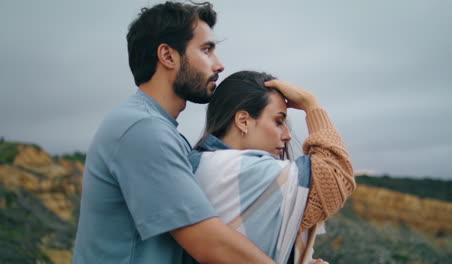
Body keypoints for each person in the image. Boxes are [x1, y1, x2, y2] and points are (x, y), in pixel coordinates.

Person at [72, 2, 278, 264]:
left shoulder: (156, 127)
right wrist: (311, 106)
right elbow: (208, 242)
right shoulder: (142, 129)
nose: (219, 65)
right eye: (206, 50)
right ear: (168, 56)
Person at [188, 71, 356, 264]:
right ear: (243, 121)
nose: (287, 135)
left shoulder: (199, 162)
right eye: (278, 121)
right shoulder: (235, 169)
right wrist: (311, 105)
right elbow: (336, 174)